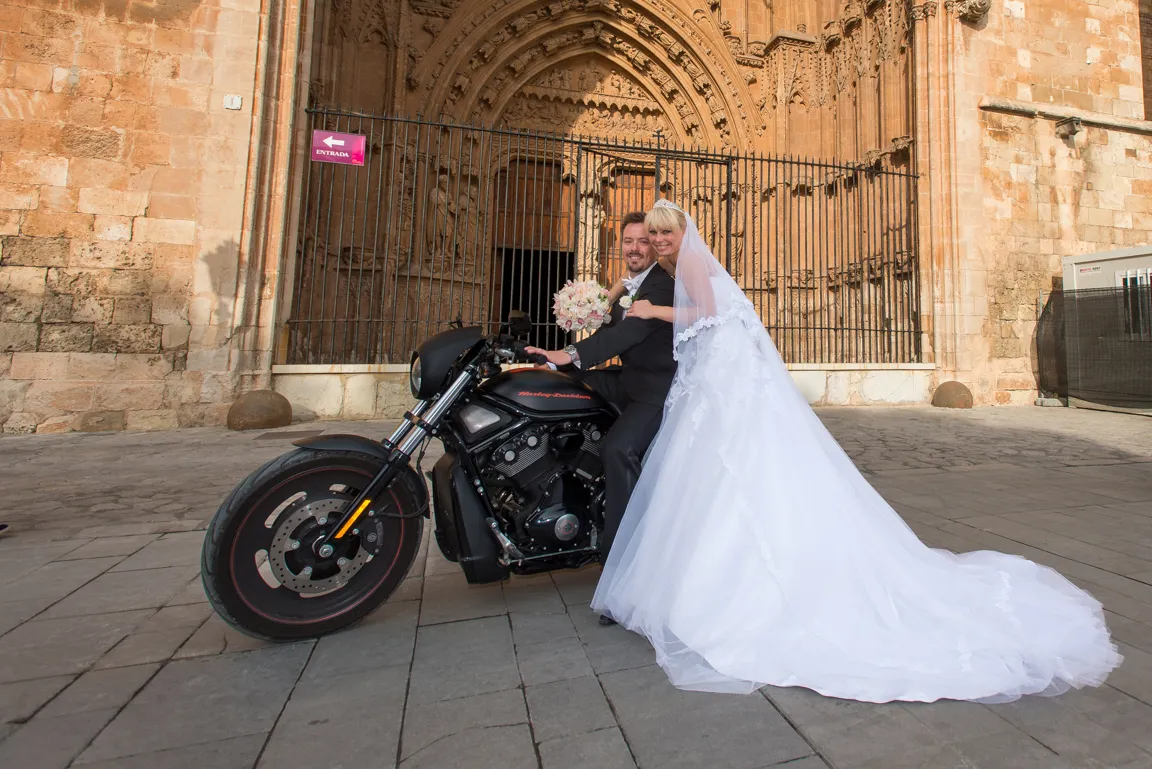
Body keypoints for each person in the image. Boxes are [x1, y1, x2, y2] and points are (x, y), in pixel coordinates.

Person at [589, 199, 1122, 703]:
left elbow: (706, 315)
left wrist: (655, 310)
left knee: (734, 473)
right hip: (712, 383)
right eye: (652, 233)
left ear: (681, 233)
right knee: (715, 478)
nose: (657, 240)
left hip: (723, 385)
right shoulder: (682, 265)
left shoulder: (692, 270)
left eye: (664, 231)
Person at [526, 212, 676, 626]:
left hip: (655, 391)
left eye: (643, 241)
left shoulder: (662, 283)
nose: (634, 248)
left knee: (619, 449)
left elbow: (624, 336)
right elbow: (606, 330)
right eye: (628, 241)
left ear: (656, 245)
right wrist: (558, 362)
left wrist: (567, 354)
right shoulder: (631, 284)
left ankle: (621, 574)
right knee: (559, 390)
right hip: (629, 380)